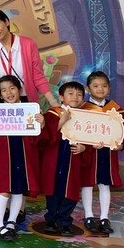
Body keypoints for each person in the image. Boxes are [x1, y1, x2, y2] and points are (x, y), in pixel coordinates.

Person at [0, 75, 44, 241]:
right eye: (4, 90)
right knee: (4, 190)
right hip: (3, 158)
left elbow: (38, 140)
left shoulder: (30, 111)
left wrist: (41, 125)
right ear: (0, 95)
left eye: (12, 88)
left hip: (22, 156)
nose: (9, 93)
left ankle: (11, 223)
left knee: (18, 190)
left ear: (20, 90)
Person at [80, 71, 124, 234]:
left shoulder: (116, 110)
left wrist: (120, 145)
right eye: (95, 86)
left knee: (104, 184)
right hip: (88, 153)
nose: (100, 89)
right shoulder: (82, 109)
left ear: (109, 88)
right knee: (87, 183)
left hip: (108, 154)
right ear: (88, 89)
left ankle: (104, 217)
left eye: (104, 86)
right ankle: (88, 216)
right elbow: (76, 132)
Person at [0, 9, 58, 107]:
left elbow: (38, 76)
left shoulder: (28, 44)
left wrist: (52, 101)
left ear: (6, 22)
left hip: (24, 98)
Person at [39, 81, 87, 236]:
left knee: (71, 192)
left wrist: (84, 148)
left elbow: (90, 139)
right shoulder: (52, 113)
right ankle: (51, 220)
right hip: (55, 159)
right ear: (61, 97)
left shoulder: (86, 117)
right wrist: (62, 121)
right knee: (53, 191)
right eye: (70, 93)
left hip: (73, 160)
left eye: (79, 94)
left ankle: (64, 221)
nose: (75, 97)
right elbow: (45, 137)